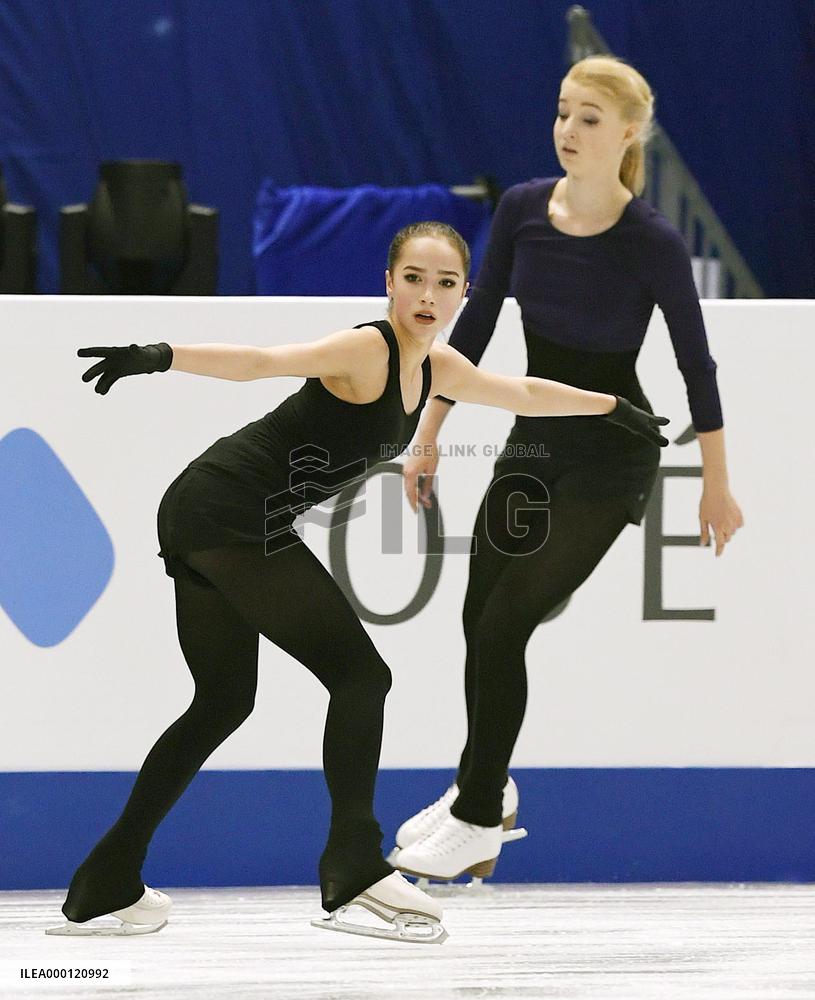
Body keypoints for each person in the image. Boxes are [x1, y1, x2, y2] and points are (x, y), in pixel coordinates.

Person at [46, 220, 667, 944]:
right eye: (413, 278)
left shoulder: (438, 370)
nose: (427, 296)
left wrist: (610, 407)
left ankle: (105, 881)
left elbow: (522, 390)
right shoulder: (366, 348)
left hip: (220, 516)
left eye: (444, 283)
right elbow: (258, 361)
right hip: (228, 512)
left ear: (465, 294)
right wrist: (159, 354)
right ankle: (353, 870)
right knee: (360, 676)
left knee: (220, 702)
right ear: (388, 283)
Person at [391, 56, 744, 886]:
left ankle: (476, 817)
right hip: (533, 444)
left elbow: (697, 366)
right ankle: (487, 782)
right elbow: (472, 329)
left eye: (589, 118)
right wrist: (430, 429)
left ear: (627, 134)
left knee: (509, 617)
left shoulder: (651, 240)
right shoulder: (520, 210)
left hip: (612, 450)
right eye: (561, 112)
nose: (568, 131)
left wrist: (718, 483)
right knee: (480, 617)